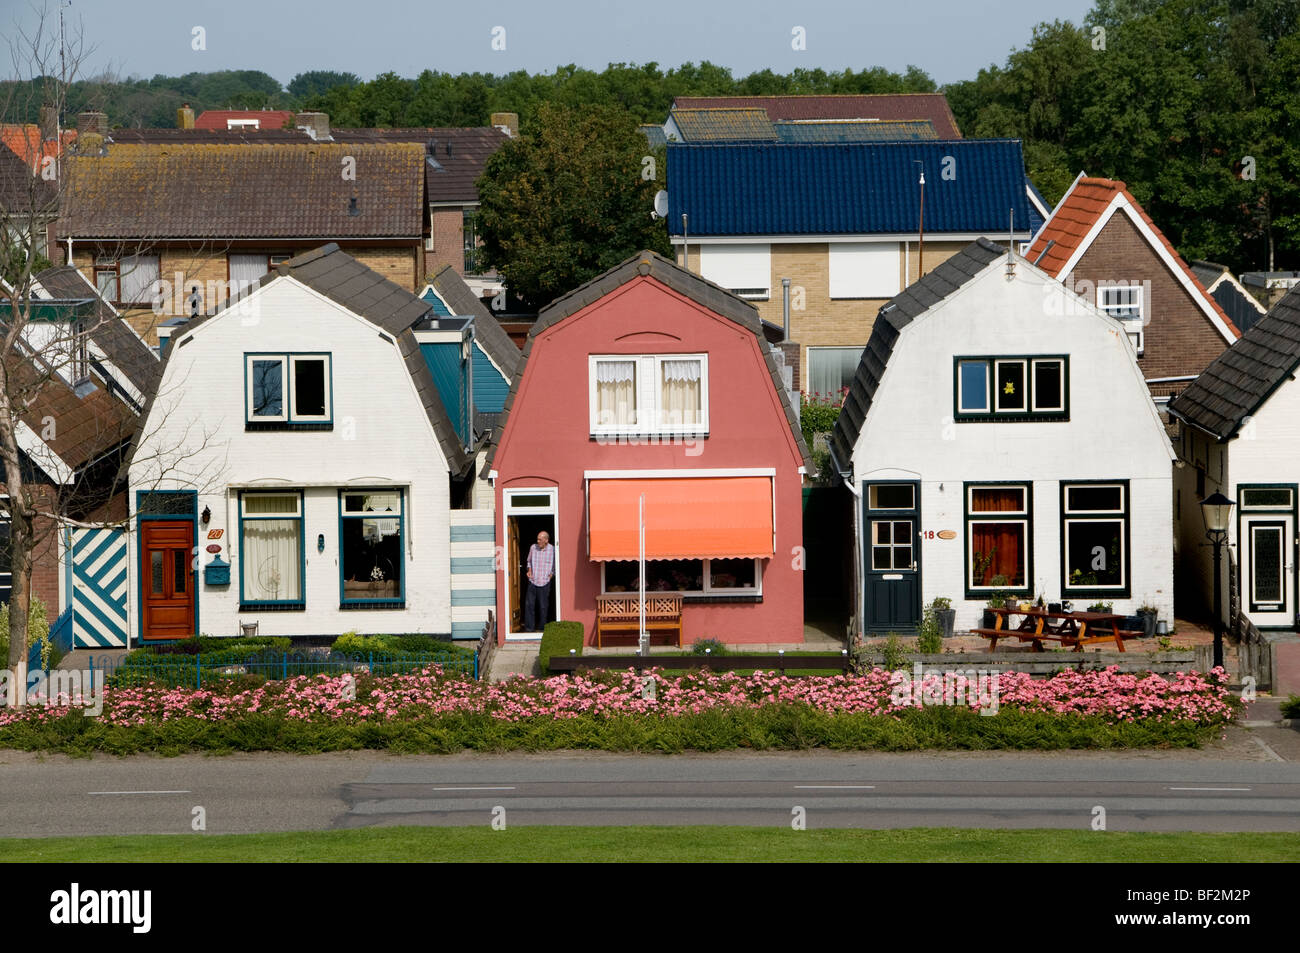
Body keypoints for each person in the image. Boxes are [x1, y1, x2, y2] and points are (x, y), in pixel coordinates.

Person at [524, 530, 555, 631]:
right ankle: (529, 629)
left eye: (540, 539)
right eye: (537, 539)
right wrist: (529, 570)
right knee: (529, 605)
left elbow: (555, 566)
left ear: (546, 540)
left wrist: (551, 575)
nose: (538, 541)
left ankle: (542, 628)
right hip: (533, 581)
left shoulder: (553, 550)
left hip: (545, 582)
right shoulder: (533, 548)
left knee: (543, 607)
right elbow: (528, 561)